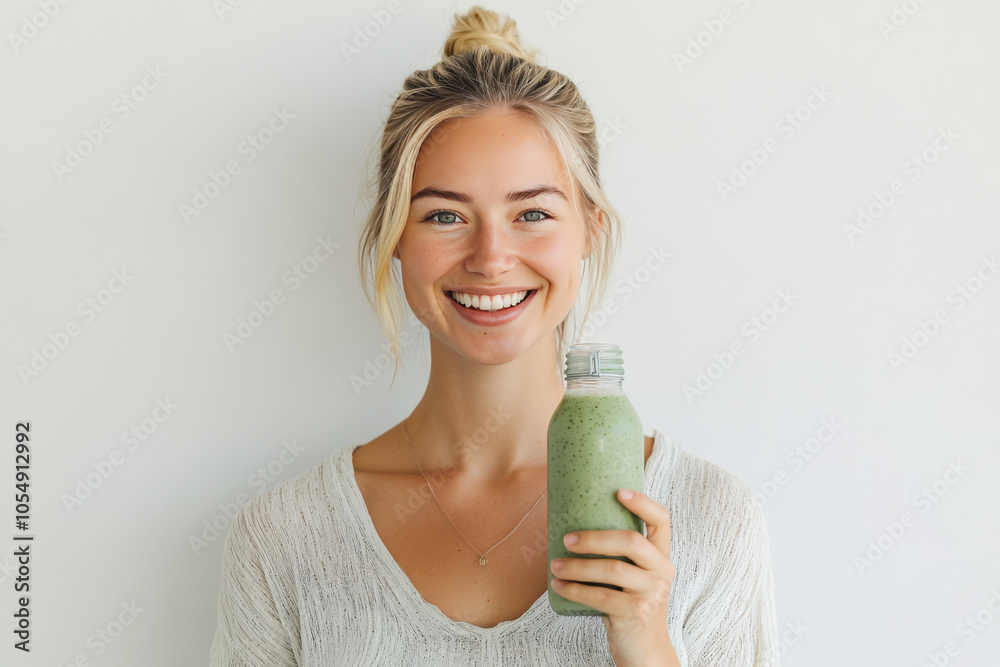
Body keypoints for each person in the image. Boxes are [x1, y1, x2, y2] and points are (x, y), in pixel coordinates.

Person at [209, 6, 779, 666]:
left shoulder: (712, 520)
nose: (491, 256)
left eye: (532, 212)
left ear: (589, 229)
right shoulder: (283, 540)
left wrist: (646, 640)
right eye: (446, 215)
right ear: (396, 235)